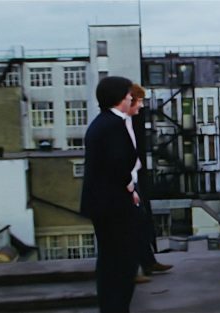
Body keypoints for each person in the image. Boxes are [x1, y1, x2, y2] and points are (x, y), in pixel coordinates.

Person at [80, 76, 139, 313]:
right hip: (113, 205)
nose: (130, 97)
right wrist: (130, 185)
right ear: (118, 97)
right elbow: (118, 162)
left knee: (109, 259)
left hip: (102, 204)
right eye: (127, 94)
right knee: (122, 261)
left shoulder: (100, 123)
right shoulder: (114, 125)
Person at [127, 83, 173, 284]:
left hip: (135, 179)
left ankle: (148, 261)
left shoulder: (130, 121)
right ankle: (133, 270)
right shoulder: (119, 123)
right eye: (140, 101)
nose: (142, 106)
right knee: (132, 227)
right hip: (127, 183)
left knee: (142, 222)